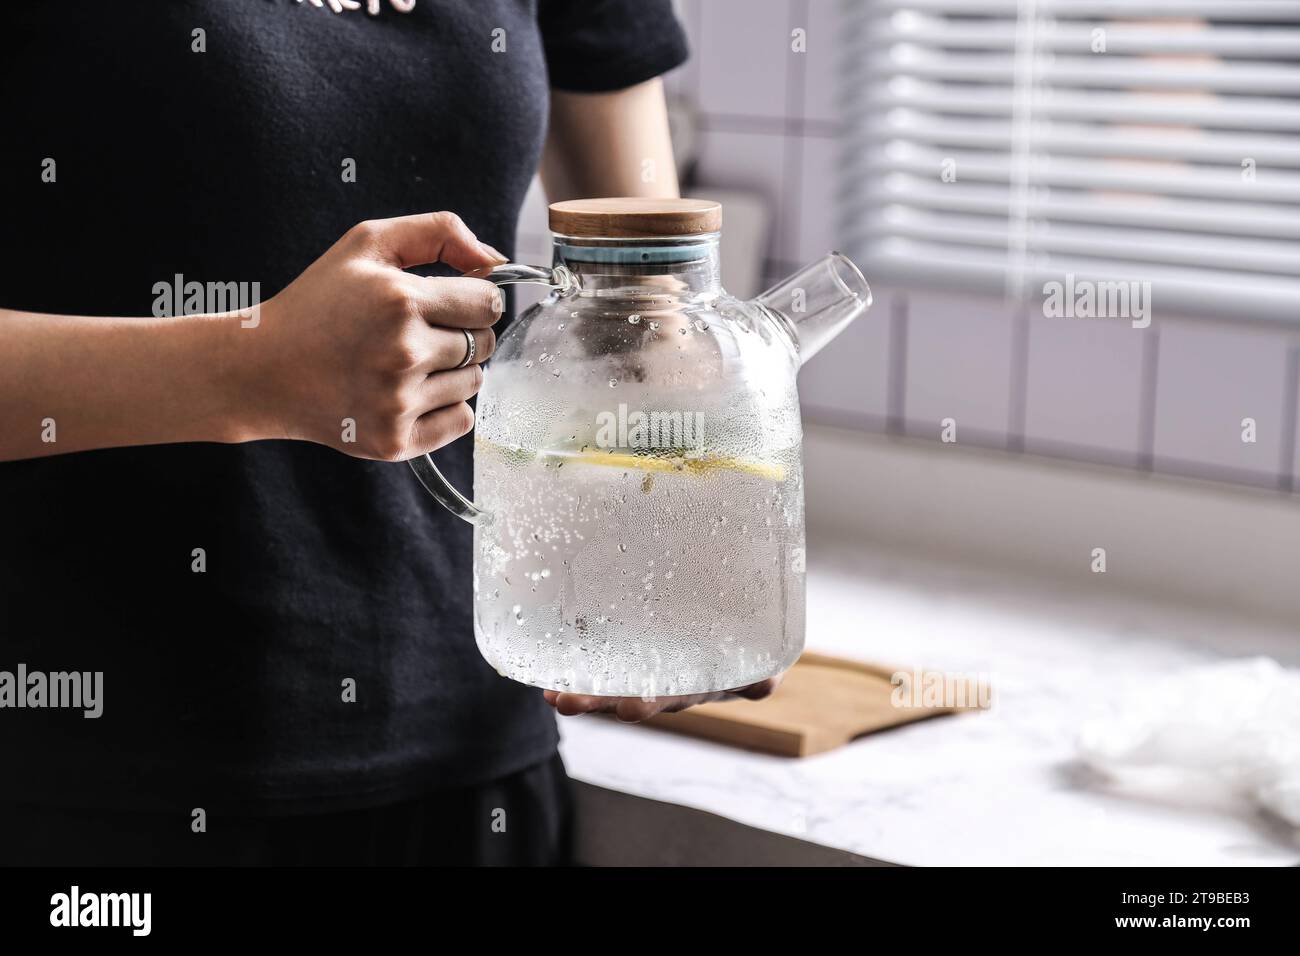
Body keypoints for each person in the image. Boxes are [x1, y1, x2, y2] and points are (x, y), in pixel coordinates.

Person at [0, 0, 776, 866]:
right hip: (80, 776)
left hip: (472, 751)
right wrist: (245, 368)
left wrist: (676, 555)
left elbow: (646, 307)